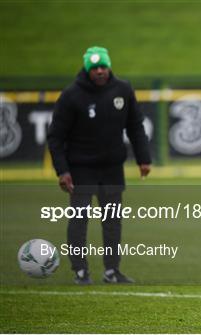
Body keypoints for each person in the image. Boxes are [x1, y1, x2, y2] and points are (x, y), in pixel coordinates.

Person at [47, 46, 151, 284]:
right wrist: (62, 171)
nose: (100, 71)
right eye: (95, 68)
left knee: (113, 221)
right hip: (81, 170)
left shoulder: (122, 90)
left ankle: (112, 271)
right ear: (87, 69)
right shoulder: (72, 95)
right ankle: (80, 271)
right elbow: (55, 137)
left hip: (112, 168)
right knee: (79, 220)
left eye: (103, 66)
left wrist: (143, 158)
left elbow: (135, 126)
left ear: (109, 66)